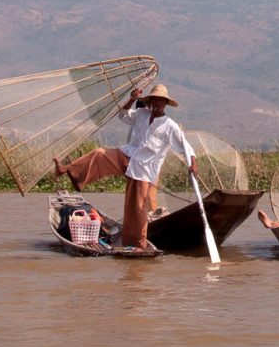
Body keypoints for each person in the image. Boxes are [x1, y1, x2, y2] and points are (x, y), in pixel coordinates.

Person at [52, 83, 197, 252]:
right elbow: (123, 115)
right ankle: (68, 170)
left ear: (166, 104)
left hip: (144, 169)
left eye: (160, 101)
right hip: (128, 155)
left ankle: (138, 245)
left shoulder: (169, 126)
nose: (156, 104)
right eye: (154, 100)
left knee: (136, 208)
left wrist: (193, 163)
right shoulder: (142, 113)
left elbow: (185, 147)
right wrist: (132, 99)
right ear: (150, 101)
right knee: (100, 153)